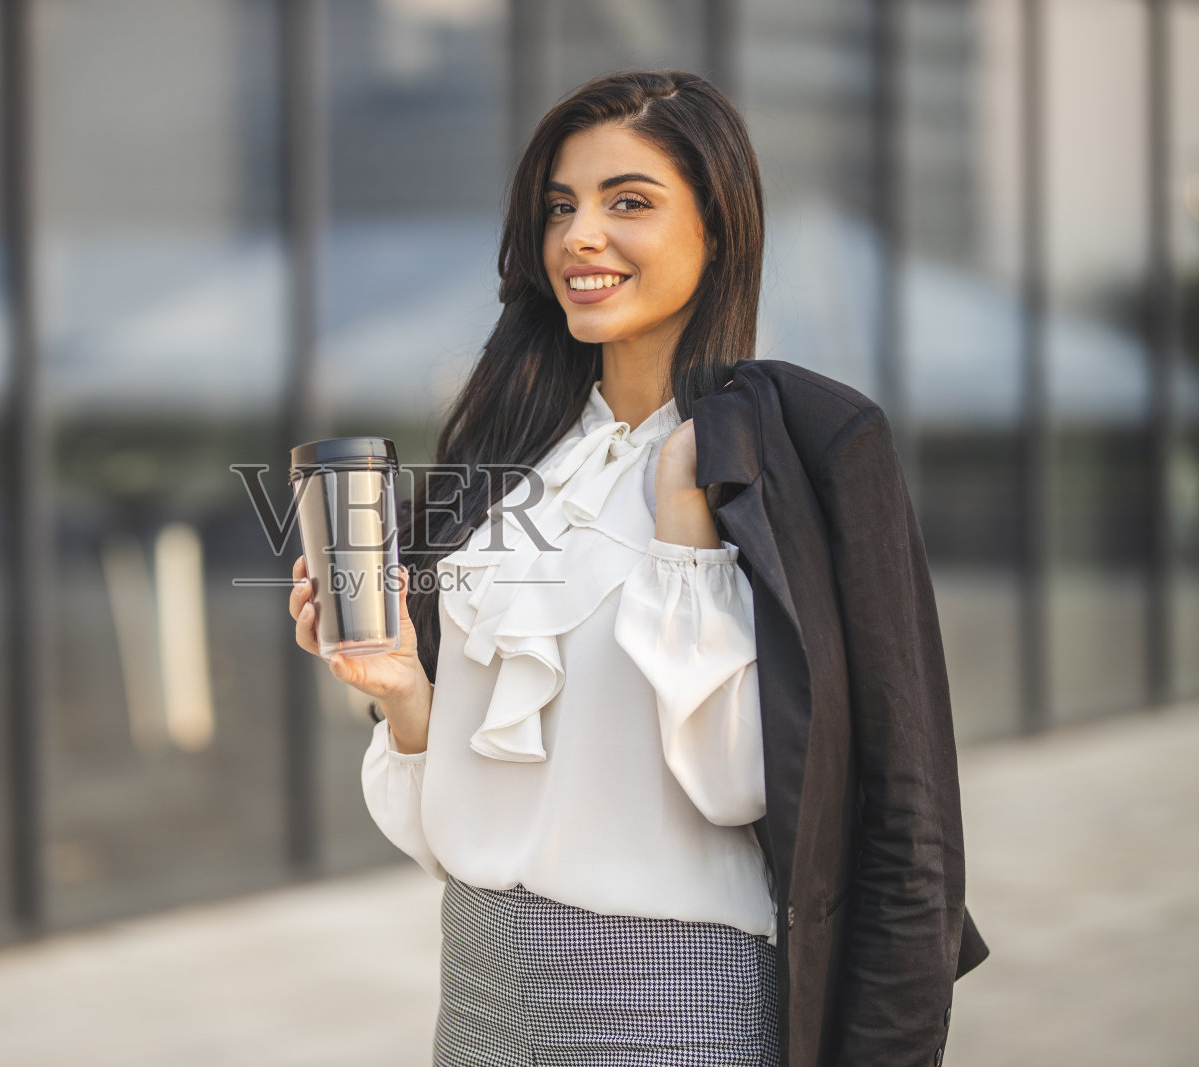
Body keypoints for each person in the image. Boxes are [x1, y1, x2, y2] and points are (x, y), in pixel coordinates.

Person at [288, 69, 985, 1067]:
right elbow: (453, 823)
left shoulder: (807, 444)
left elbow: (783, 789)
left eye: (629, 202)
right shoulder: (505, 454)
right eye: (560, 206)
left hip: (673, 1005)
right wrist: (402, 690)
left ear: (719, 229)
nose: (579, 236)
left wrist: (685, 544)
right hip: (475, 994)